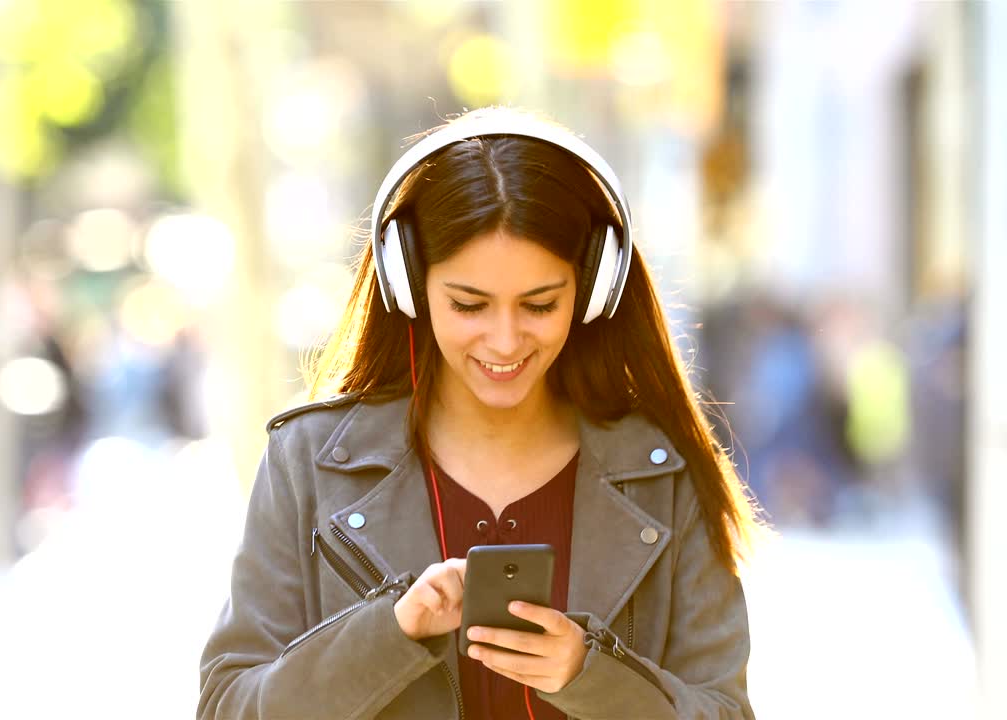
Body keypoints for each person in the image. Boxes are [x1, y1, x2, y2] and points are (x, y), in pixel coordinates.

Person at [199, 107, 761, 720]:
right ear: (407, 283)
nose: (504, 340)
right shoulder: (307, 463)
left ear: (594, 289)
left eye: (540, 305)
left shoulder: (666, 474)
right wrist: (388, 635)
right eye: (469, 305)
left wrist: (591, 676)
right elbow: (230, 706)